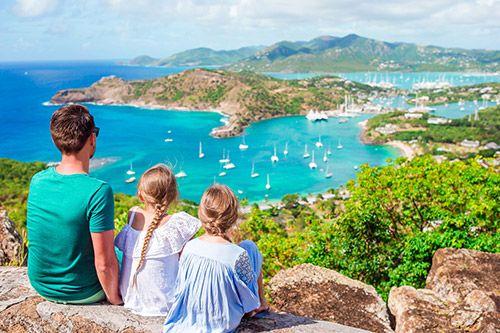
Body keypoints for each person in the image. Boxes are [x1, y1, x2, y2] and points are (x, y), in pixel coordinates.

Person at [27, 104, 122, 305]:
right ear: (92, 139)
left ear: (56, 140)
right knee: (124, 253)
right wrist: (115, 300)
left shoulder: (37, 181)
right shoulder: (98, 191)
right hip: (81, 291)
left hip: (41, 285)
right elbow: (104, 263)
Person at [164, 184, 269, 333]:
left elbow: (181, 287)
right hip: (221, 325)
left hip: (188, 320)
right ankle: (262, 304)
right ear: (233, 217)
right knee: (250, 246)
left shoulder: (189, 247)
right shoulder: (238, 254)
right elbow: (247, 290)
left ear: (202, 214)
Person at [115, 164, 201, 316]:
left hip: (130, 299)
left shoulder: (133, 214)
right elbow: (188, 263)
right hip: (164, 304)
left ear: (141, 195)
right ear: (174, 195)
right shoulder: (178, 224)